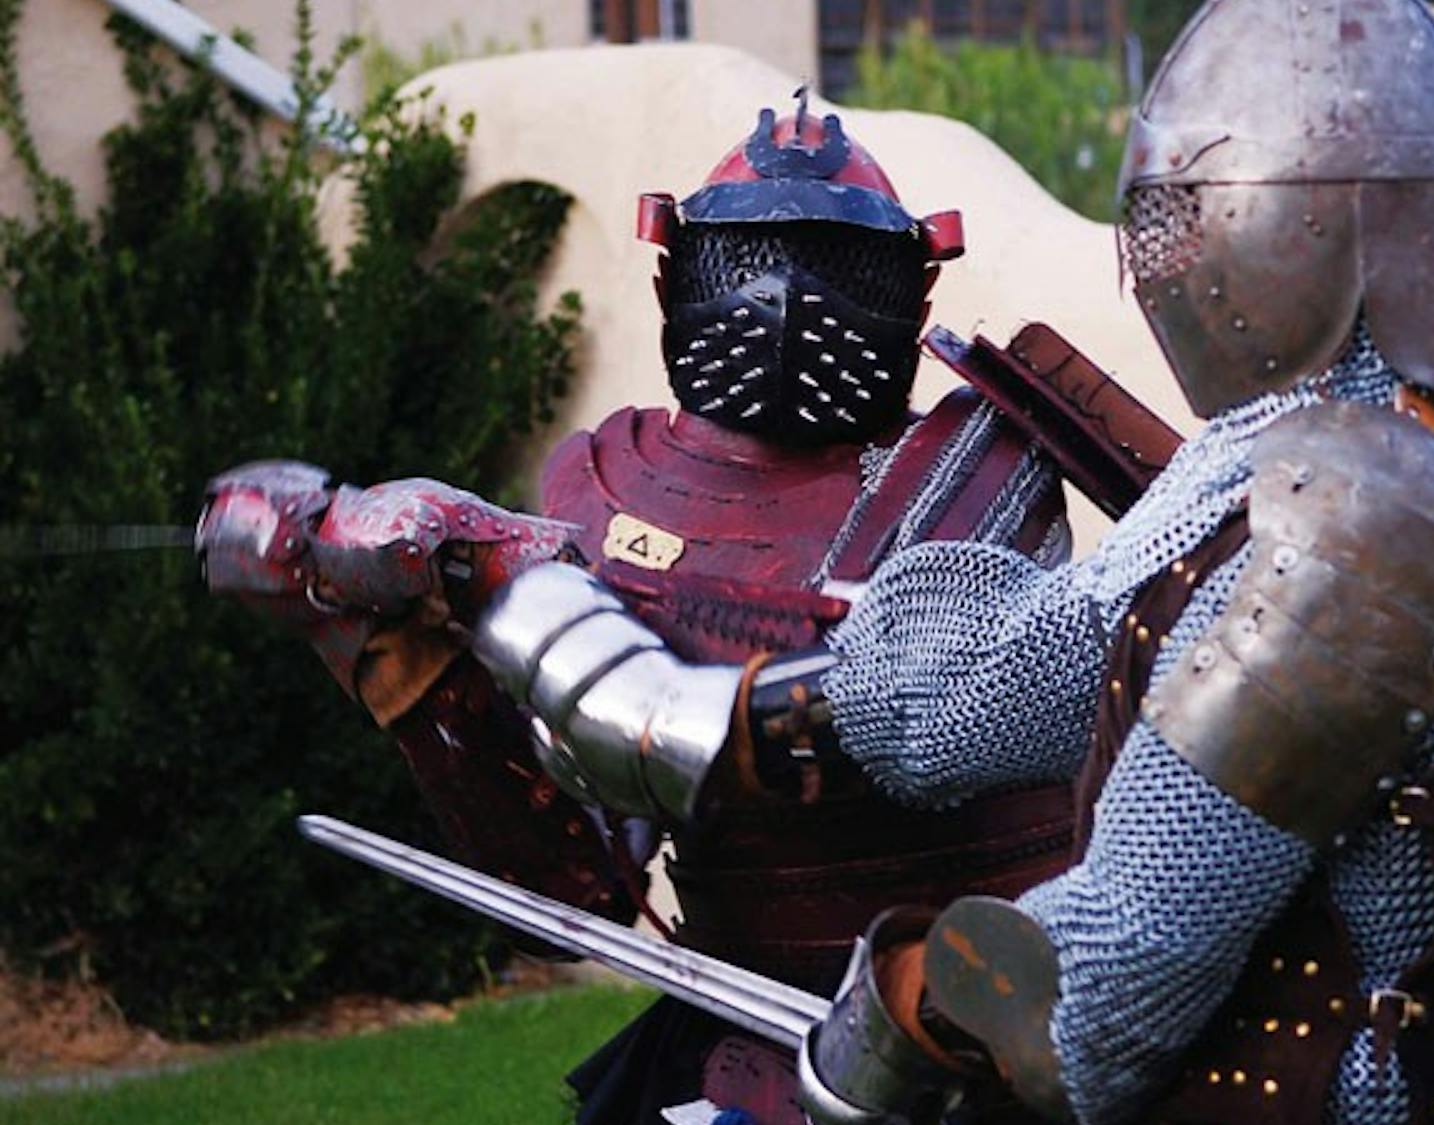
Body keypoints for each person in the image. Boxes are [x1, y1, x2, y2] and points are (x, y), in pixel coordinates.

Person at [477, 2, 1434, 1121]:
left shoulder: (1361, 525)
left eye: (1174, 221)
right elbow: (1045, 656)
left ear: (1281, 228)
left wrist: (902, 1003)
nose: (1154, 260)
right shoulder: (1293, 458)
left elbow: (1099, 1000)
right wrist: (728, 717)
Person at [202, 98, 1105, 1125]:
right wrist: (385, 644)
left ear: (914, 284)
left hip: (966, 1030)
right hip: (739, 1028)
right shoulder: (607, 480)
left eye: (829, 263)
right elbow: (578, 877)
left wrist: (502, 567)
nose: (785, 299)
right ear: (677, 272)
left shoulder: (976, 470)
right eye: (748, 260)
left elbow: (898, 716)